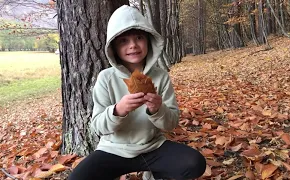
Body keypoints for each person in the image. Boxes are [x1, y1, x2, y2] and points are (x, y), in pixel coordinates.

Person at [68, 5, 206, 180]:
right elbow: (97, 127)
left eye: (139, 38)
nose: (133, 45)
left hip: (152, 147)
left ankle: (155, 174)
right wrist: (118, 110)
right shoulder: (106, 78)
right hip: (113, 149)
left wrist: (158, 109)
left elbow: (171, 124)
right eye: (123, 41)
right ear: (114, 47)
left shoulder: (160, 76)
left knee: (194, 163)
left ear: (149, 41)